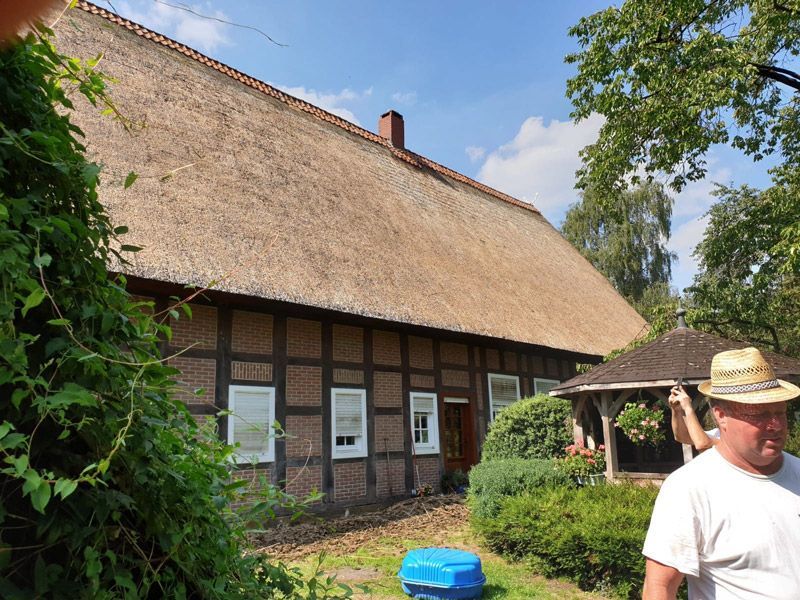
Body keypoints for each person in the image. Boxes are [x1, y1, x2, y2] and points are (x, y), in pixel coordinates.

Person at [642, 347, 800, 600]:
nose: (776, 425)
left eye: (780, 412)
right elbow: (659, 588)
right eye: (760, 414)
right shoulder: (689, 488)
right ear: (721, 416)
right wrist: (679, 409)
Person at [668, 384, 717, 451]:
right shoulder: (717, 433)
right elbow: (682, 437)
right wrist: (676, 409)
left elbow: (703, 444)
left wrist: (687, 407)